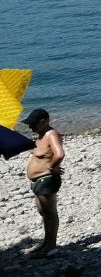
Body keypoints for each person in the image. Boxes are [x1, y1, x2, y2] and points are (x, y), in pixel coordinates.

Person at [23, 109, 64, 257]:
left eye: (33, 124)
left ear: (44, 121)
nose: (30, 127)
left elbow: (59, 154)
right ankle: (46, 243)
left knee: (50, 214)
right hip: (39, 180)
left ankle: (51, 246)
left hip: (47, 179)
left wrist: (52, 167)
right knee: (43, 212)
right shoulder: (40, 136)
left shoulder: (51, 134)